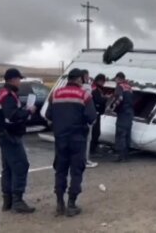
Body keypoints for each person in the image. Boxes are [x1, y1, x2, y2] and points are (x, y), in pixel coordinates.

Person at [45, 68, 97, 217]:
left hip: (60, 138)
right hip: (77, 139)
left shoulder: (55, 93)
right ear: (79, 79)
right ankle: (72, 204)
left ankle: (59, 203)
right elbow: (91, 117)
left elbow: (48, 115)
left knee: (60, 170)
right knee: (76, 171)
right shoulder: (84, 95)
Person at [0, 68, 37, 213]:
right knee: (20, 165)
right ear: (12, 80)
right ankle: (17, 200)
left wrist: (22, 110)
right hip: (10, 136)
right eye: (19, 79)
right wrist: (28, 111)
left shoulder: (2, 93)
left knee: (8, 168)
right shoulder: (9, 96)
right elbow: (12, 115)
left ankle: (8, 201)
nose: (20, 82)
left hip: (3, 134)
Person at [108, 72, 134, 162]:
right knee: (127, 134)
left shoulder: (120, 86)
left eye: (115, 79)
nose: (115, 81)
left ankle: (121, 156)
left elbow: (119, 98)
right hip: (130, 113)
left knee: (120, 134)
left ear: (118, 78)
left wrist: (112, 108)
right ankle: (126, 155)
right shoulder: (129, 87)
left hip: (123, 113)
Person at [81, 69, 98, 168]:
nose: (88, 78)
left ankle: (81, 159)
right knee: (87, 139)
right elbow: (89, 102)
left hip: (78, 117)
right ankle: (85, 160)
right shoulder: (87, 87)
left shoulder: (78, 88)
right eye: (87, 76)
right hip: (86, 117)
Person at [90, 74, 108, 155]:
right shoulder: (95, 89)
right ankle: (91, 150)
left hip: (96, 113)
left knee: (96, 132)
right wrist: (106, 98)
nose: (103, 83)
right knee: (95, 132)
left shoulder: (96, 88)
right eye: (103, 81)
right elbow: (98, 100)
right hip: (95, 113)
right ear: (99, 81)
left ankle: (92, 149)